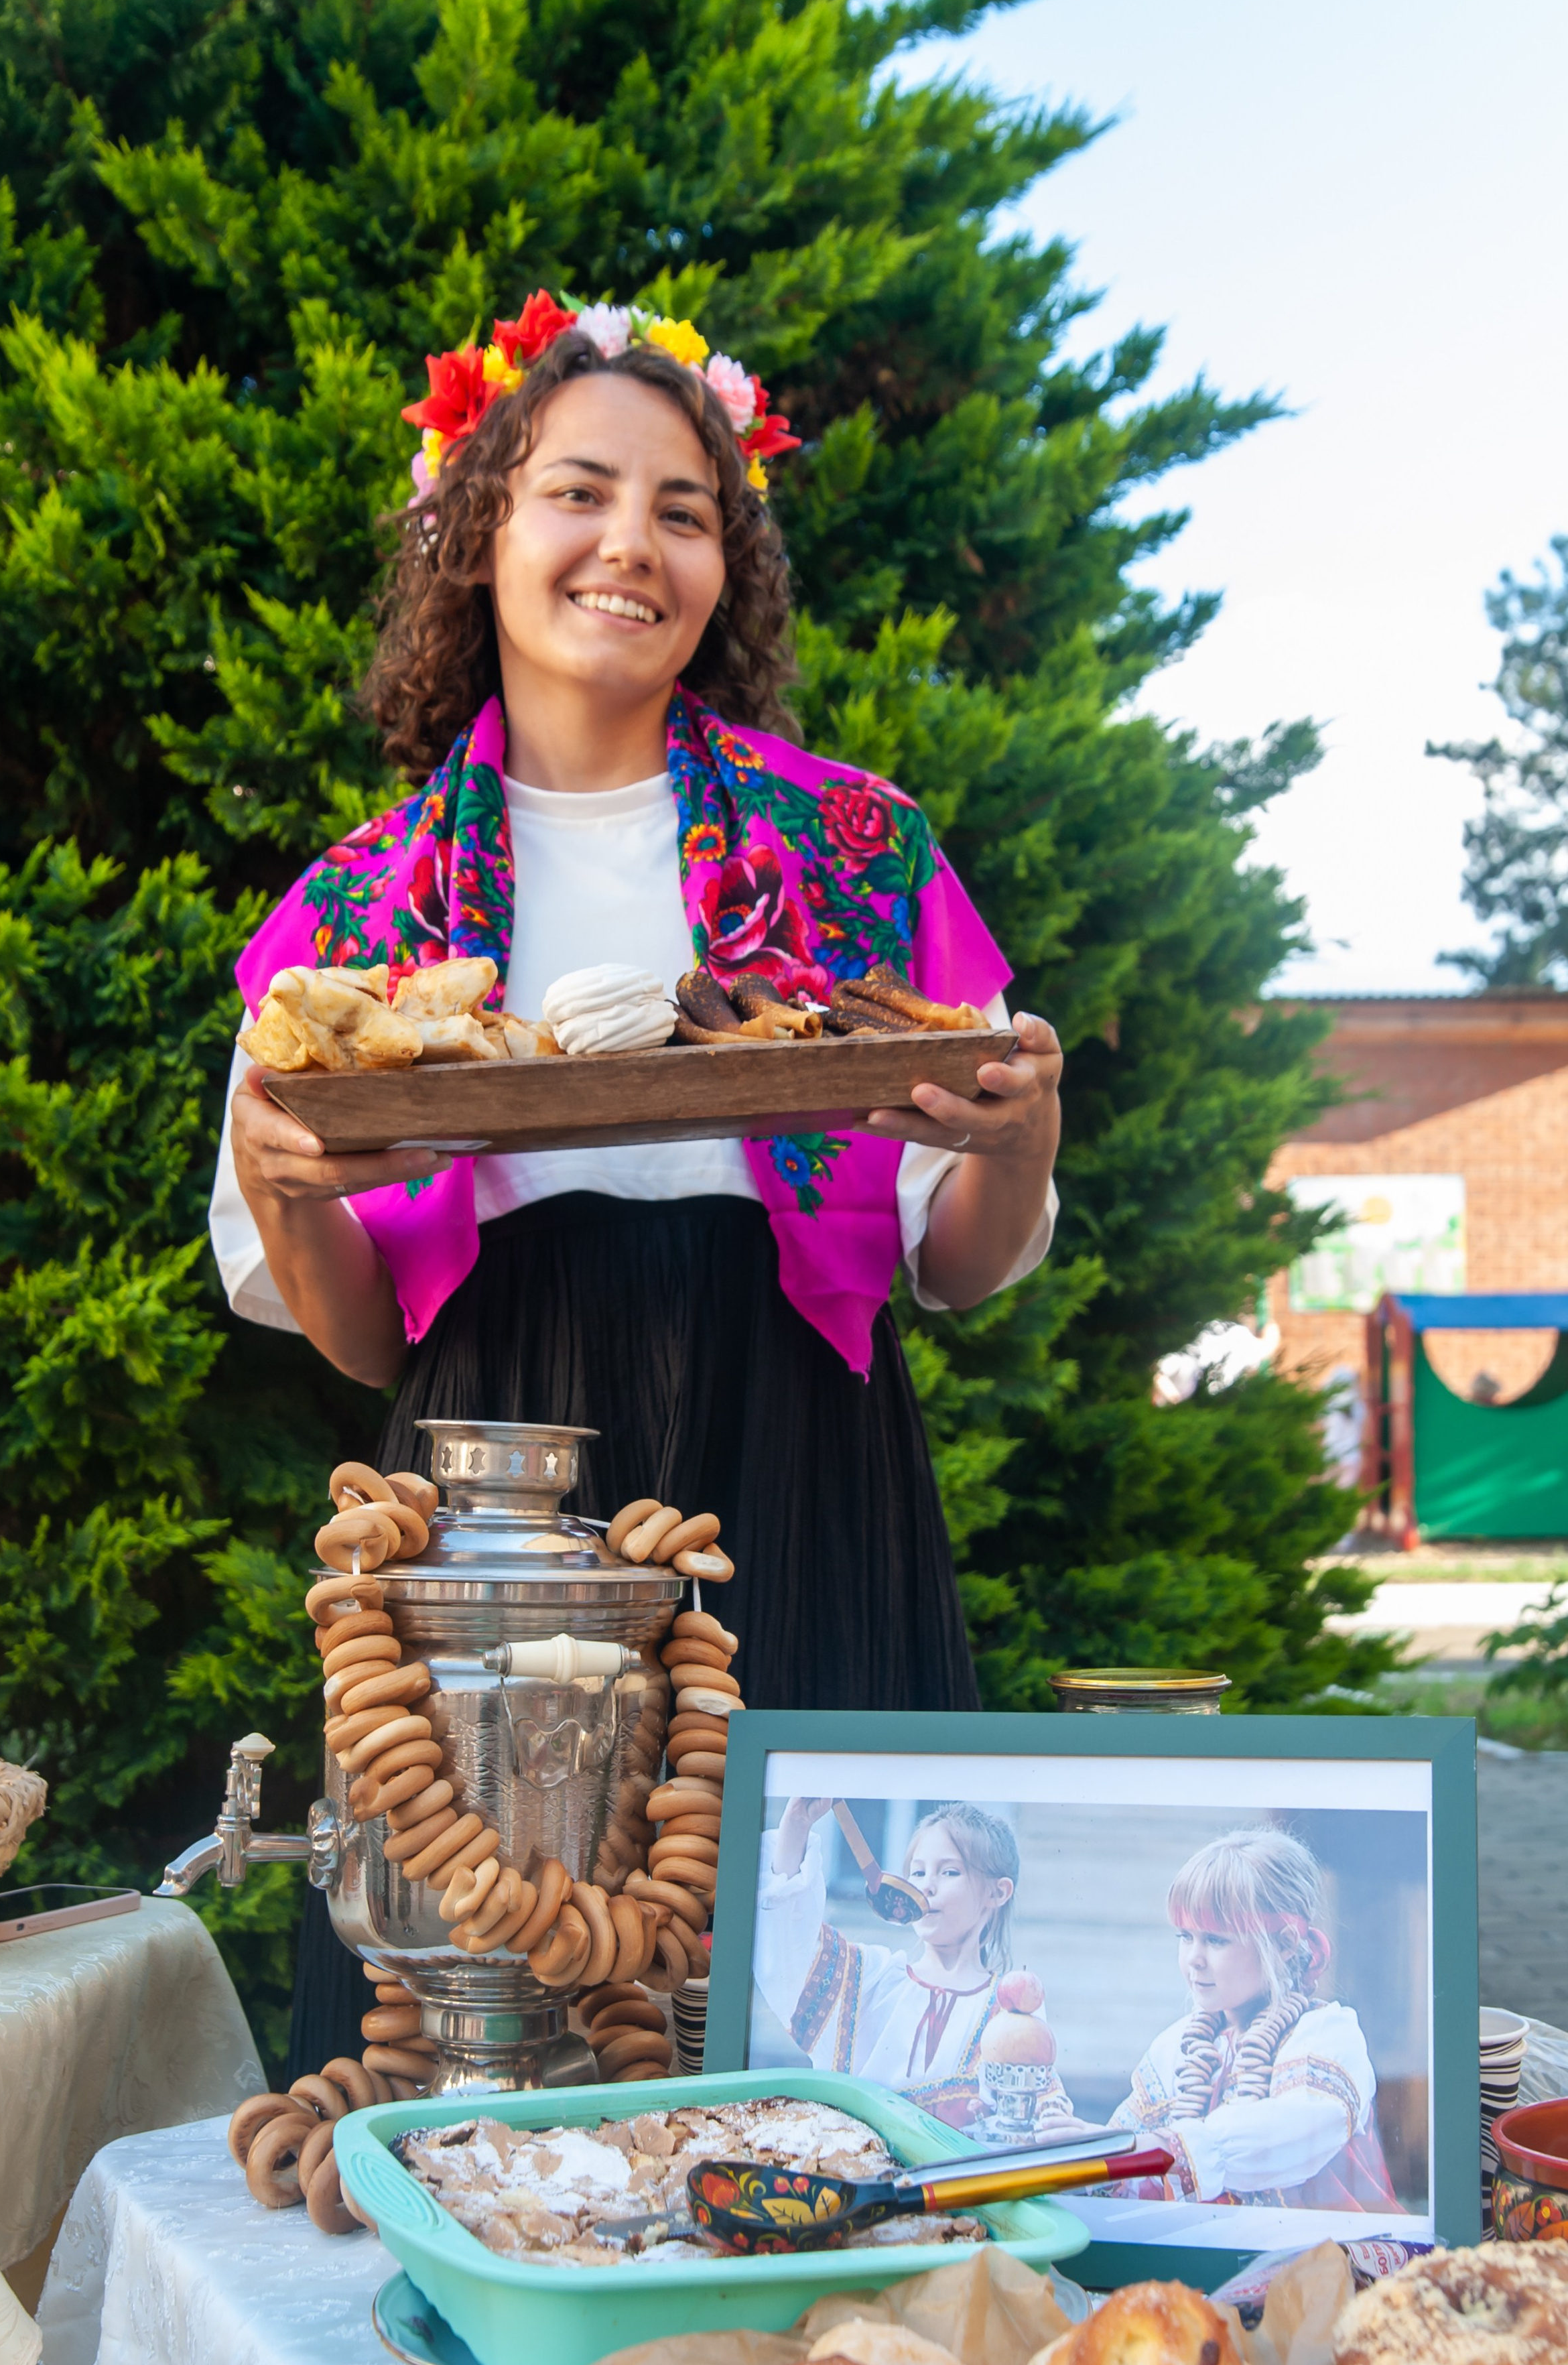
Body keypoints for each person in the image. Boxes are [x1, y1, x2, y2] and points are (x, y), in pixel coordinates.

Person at [206, 294, 1062, 2070]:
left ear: (725, 568)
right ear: (478, 531)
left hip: (806, 1453)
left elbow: (957, 1263)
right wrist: (289, 1186)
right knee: (493, 2005)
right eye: (579, 493)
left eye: (686, 510)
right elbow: (362, 1334)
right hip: (500, 1474)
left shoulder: (858, 849)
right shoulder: (354, 923)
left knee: (828, 2032)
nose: (631, 545)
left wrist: (1020, 1140)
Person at [1110, 1826, 1396, 2212]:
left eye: (1215, 1940)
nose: (1194, 1958)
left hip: (1323, 2261)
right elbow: (1124, 2145)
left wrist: (1170, 2151)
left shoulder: (1326, 2036)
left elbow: (1291, 2132)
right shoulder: (1174, 2048)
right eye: (1185, 1937)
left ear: (1284, 1945)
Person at [753, 1797, 1071, 2130]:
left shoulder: (1007, 2010)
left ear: (998, 1893)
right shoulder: (868, 1980)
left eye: (949, 1872)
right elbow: (787, 1947)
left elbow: (1038, 2119)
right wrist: (797, 1823)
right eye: (918, 1872)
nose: (927, 1885)